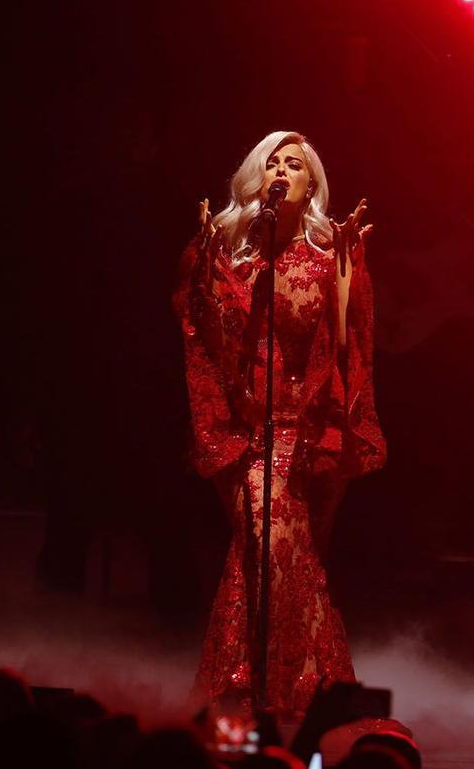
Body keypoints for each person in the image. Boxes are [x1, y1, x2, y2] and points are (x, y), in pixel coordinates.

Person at [174, 131, 386, 720]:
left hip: (311, 434)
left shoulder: (327, 259)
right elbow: (209, 349)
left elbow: (348, 352)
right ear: (255, 177)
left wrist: (344, 279)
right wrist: (206, 282)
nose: (282, 170)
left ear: (311, 183)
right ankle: (289, 694)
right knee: (269, 550)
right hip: (247, 433)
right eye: (271, 161)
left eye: (294, 163)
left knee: (293, 560)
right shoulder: (225, 255)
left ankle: (262, 694)